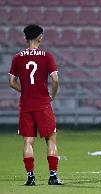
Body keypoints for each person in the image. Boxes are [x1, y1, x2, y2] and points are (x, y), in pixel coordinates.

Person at [8, 24, 63, 186]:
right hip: (43, 103)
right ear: (40, 37)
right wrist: (52, 95)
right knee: (51, 140)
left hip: (26, 104)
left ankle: (30, 178)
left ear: (25, 38)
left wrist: (24, 91)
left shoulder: (18, 57)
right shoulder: (47, 56)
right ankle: (53, 176)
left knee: (27, 142)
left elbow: (11, 82)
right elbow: (55, 79)